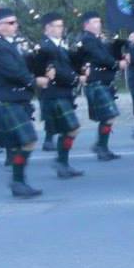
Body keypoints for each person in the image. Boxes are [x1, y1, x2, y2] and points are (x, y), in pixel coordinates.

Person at [0, 7, 51, 198]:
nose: (16, 25)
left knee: (18, 144)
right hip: (7, 100)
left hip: (15, 100)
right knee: (28, 140)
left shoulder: (10, 44)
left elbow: (24, 66)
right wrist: (35, 82)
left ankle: (18, 182)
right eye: (11, 23)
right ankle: (17, 181)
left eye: (16, 22)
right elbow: (14, 72)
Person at [31, 13, 84, 178]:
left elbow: (67, 66)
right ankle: (61, 162)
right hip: (54, 94)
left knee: (69, 129)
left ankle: (62, 163)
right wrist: (76, 79)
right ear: (47, 28)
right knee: (72, 128)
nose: (61, 29)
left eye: (61, 26)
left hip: (63, 92)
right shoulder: (44, 48)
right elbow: (54, 72)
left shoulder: (60, 46)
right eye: (58, 26)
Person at [79, 12, 128, 161]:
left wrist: (121, 47)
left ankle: (101, 146)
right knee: (109, 115)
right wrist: (117, 64)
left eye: (99, 21)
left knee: (108, 116)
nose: (99, 24)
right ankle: (101, 146)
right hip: (96, 82)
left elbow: (108, 52)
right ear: (86, 25)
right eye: (95, 22)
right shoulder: (87, 39)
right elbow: (100, 57)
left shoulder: (96, 39)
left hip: (103, 82)